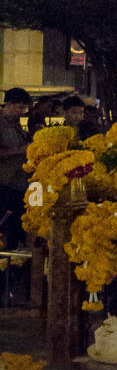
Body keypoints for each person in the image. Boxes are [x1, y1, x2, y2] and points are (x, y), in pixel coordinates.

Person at [0, 88, 31, 249]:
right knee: (6, 230)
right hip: (5, 185)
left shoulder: (16, 124)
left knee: (17, 231)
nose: (22, 112)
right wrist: (21, 150)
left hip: (19, 184)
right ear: (9, 104)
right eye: (20, 107)